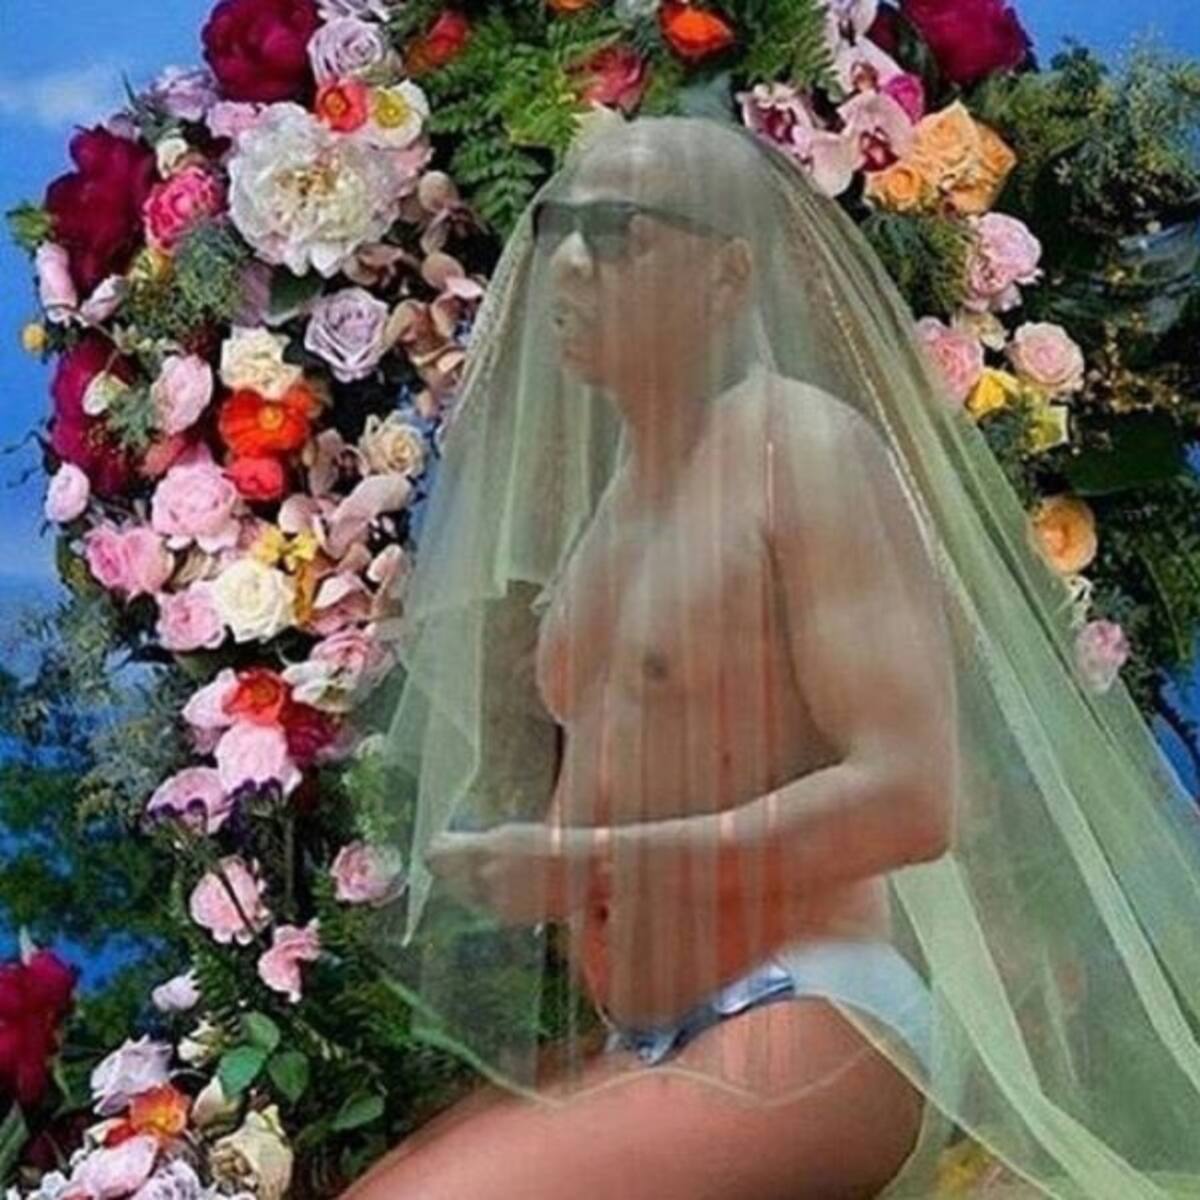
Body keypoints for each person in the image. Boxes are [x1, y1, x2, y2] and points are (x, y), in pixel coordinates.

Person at [342, 114, 1200, 1198]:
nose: (573, 268)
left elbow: (909, 796)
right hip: (649, 1026)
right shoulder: (618, 502)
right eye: (563, 235)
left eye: (624, 236)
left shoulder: (807, 454)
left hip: (809, 1004)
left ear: (729, 275)